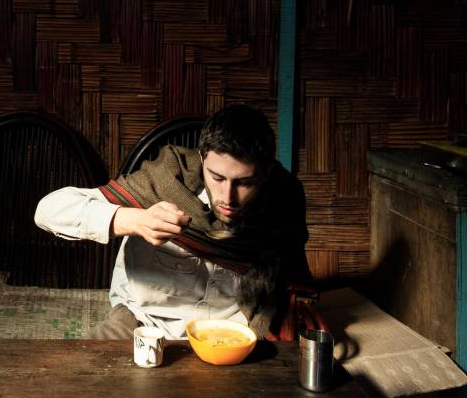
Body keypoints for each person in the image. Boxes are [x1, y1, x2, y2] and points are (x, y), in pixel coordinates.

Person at [34, 104, 309, 340]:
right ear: (202, 159)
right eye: (217, 177)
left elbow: (292, 271)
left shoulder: (284, 199)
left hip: (233, 331)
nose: (228, 197)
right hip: (146, 322)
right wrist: (134, 220)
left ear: (267, 172)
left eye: (245, 183)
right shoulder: (164, 180)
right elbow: (48, 210)